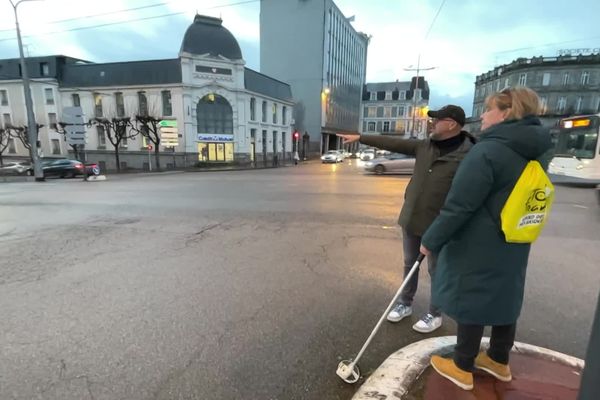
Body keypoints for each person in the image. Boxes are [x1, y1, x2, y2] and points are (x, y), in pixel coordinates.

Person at [419, 87, 553, 390]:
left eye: (489, 109)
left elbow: (459, 206)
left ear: (505, 113)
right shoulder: (538, 149)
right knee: (505, 293)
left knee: (473, 295)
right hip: (515, 234)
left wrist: (431, 239)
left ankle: (461, 365)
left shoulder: (489, 151)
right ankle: (497, 359)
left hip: (479, 240)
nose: (482, 114)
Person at [338, 105, 475, 333]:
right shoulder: (425, 146)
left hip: (441, 224)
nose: (432, 123)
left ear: (452, 124)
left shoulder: (469, 153)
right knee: (409, 263)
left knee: (437, 270)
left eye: (437, 120)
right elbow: (393, 143)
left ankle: (435, 313)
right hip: (412, 218)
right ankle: (405, 304)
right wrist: (361, 137)